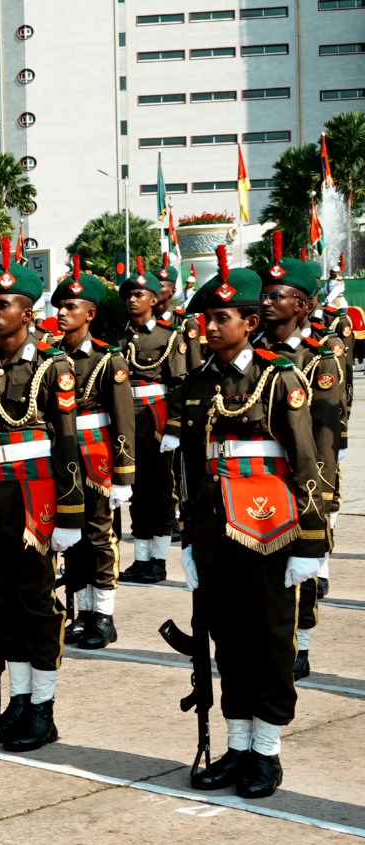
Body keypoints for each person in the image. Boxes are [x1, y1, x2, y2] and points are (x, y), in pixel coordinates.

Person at [170, 249, 326, 799]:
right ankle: (237, 747)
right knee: (227, 640)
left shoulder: (279, 378)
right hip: (214, 534)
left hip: (269, 531)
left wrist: (310, 541)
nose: (210, 328)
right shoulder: (193, 386)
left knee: (269, 641)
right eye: (205, 319)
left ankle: (266, 754)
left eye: (222, 319)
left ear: (251, 323)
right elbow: (189, 470)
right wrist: (188, 539)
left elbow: (306, 462)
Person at [0, 242, 85, 751]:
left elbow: (68, 442)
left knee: (37, 602)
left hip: (35, 497)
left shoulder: (52, 367)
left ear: (27, 312)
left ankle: (43, 707)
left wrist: (70, 512)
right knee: (5, 600)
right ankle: (17, 701)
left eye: (2, 306)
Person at [252, 234, 347, 679]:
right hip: (256, 482)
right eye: (265, 295)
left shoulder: (319, 361)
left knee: (299, 573)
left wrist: (319, 496)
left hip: (302, 480)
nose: (267, 303)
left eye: (279, 296)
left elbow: (324, 439)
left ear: (304, 306)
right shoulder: (249, 356)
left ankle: (300, 643)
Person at [52, 259, 136, 650]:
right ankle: (83, 610)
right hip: (61, 458)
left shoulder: (108, 360)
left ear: (91, 313)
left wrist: (124, 474)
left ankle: (103, 614)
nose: (63, 313)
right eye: (60, 307)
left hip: (97, 455)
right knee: (73, 537)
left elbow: (123, 420)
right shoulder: (51, 358)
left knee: (99, 535)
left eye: (72, 307)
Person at [118, 258, 187, 584]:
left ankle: (158, 560)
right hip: (129, 421)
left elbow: (179, 385)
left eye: (139, 294)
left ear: (154, 300)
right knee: (136, 489)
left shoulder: (169, 338)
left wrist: (173, 427)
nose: (133, 299)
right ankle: (141, 558)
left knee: (160, 490)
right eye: (129, 294)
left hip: (156, 420)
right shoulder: (122, 339)